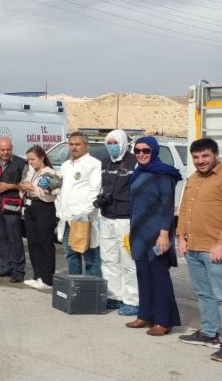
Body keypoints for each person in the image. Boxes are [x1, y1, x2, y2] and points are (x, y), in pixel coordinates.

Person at [125, 136, 182, 336]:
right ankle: (145, 315)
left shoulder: (163, 175)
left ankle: (164, 320)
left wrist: (164, 234)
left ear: (155, 151)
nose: (141, 154)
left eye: (146, 151)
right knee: (143, 275)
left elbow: (167, 206)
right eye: (138, 151)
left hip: (157, 234)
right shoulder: (140, 172)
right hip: (139, 233)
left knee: (159, 277)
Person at [176, 138, 222, 359]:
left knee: (221, 295)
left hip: (215, 249)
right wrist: (181, 237)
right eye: (196, 157)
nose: (200, 161)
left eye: (205, 156)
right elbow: (184, 209)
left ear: (215, 154)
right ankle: (210, 333)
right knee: (204, 293)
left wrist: (220, 243)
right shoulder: (193, 179)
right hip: (193, 246)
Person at [98, 130, 139, 315]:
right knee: (108, 259)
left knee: (128, 261)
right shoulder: (106, 163)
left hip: (125, 220)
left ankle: (133, 300)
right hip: (107, 217)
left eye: (115, 142)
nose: (112, 145)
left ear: (122, 142)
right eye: (109, 142)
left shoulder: (134, 163)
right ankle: (114, 296)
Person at [56, 132, 102, 277]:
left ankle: (93, 291)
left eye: (78, 144)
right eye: (71, 144)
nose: (74, 147)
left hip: (84, 219)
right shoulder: (65, 165)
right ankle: (75, 287)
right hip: (67, 218)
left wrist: (82, 214)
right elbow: (62, 190)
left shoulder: (93, 164)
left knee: (90, 256)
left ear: (86, 146)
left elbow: (95, 191)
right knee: (71, 255)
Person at [0, 138, 28, 282]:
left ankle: (18, 270)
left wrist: (9, 186)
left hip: (11, 207)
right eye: (2, 149)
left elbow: (25, 185)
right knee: (0, 237)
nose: (5, 152)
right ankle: (5, 266)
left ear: (12, 148)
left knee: (14, 238)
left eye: (8, 149)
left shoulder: (21, 164)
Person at [18, 146, 59, 290]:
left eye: (33, 159)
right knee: (32, 242)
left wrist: (32, 188)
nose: (31, 162)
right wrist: (23, 188)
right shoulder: (31, 172)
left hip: (44, 208)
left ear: (41, 158)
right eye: (28, 160)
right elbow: (24, 187)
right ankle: (37, 275)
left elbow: (50, 195)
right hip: (30, 207)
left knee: (44, 242)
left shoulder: (50, 173)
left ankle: (47, 279)